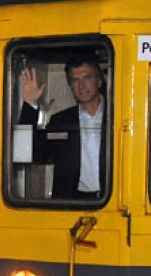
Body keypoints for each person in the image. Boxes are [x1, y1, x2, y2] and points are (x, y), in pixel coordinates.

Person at [18, 55, 105, 199]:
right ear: (70, 86)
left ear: (99, 81)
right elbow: (27, 153)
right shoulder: (61, 121)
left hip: (114, 203)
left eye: (87, 78)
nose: (81, 86)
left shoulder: (118, 117)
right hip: (71, 204)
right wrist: (30, 104)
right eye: (75, 80)